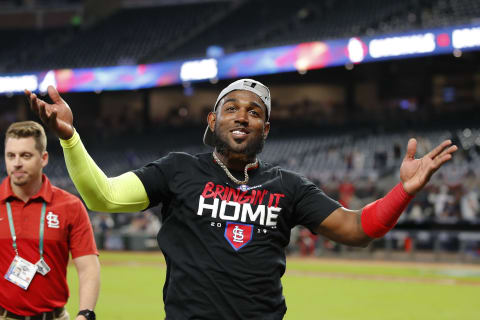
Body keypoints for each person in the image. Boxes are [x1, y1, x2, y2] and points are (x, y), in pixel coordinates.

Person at [26, 79, 457, 319]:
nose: (243, 117)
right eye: (232, 108)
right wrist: (69, 138)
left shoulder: (289, 185)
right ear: (213, 119)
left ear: (266, 130)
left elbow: (357, 228)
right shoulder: (178, 170)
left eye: (255, 112)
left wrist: (403, 192)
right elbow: (104, 195)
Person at [0, 121, 100, 320]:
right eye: (11, 155)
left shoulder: (70, 206)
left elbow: (88, 265)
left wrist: (85, 314)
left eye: (25, 155)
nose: (17, 162)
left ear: (43, 158)